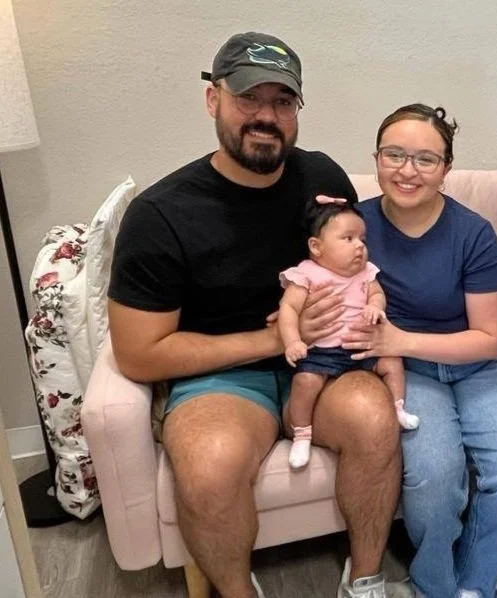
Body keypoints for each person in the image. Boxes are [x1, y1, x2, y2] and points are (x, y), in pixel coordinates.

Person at [108, 32, 408, 598]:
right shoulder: (161, 214)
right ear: (213, 99)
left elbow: (363, 269)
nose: (266, 117)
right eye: (250, 98)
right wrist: (271, 343)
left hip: (327, 361)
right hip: (223, 375)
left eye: (283, 102)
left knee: (375, 418)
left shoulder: (322, 179)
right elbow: (138, 353)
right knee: (207, 463)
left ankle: (365, 579)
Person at [341, 104, 497, 598]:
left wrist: (398, 339)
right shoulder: (354, 230)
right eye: (395, 154)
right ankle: (435, 583)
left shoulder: (473, 233)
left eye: (425, 159)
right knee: (434, 479)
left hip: (479, 364)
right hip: (409, 373)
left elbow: (491, 337)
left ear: (446, 170)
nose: (407, 170)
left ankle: (475, 584)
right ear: (376, 158)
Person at [278, 196, 418, 469]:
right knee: (305, 382)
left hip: (362, 347)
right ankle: (302, 433)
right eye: (348, 239)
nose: (359, 247)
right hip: (323, 352)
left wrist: (375, 307)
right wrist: (293, 341)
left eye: (362, 240)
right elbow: (288, 310)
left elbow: (377, 294)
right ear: (316, 246)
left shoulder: (365, 272)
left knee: (393, 362)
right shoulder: (306, 274)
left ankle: (398, 408)